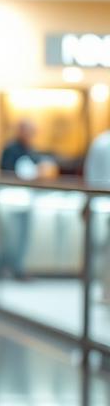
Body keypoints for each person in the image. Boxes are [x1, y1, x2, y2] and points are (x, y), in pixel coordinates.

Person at [0, 119, 41, 280]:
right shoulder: (10, 149)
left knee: (22, 237)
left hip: (25, 198)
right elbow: (6, 172)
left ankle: (16, 268)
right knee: (9, 237)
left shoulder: (30, 150)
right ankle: (1, 268)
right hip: (10, 198)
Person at [83, 127, 110, 302]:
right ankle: (106, 290)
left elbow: (90, 173)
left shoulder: (100, 141)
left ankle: (106, 291)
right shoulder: (102, 142)